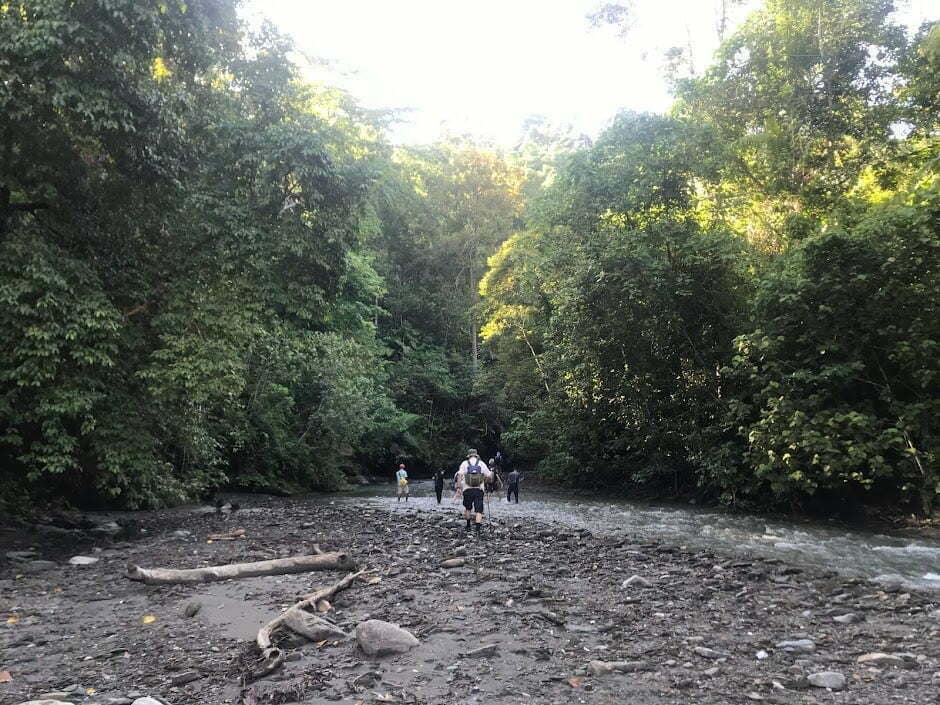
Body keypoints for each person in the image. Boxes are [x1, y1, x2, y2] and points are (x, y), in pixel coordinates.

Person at [456, 449, 492, 534]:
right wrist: (485, 480)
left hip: (467, 489)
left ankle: (468, 526)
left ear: (468, 456)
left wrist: (458, 487)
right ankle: (478, 529)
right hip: (479, 489)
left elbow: (459, 475)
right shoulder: (481, 463)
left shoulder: (464, 463)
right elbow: (490, 476)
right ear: (476, 455)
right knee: (479, 509)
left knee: (468, 508)